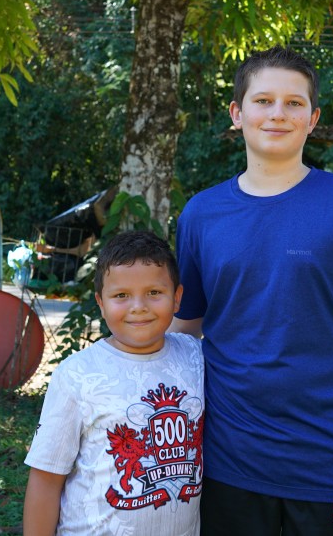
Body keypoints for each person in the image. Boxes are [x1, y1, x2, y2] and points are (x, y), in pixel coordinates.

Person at [171, 46, 333, 535]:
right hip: (225, 462)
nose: (278, 113)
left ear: (312, 119)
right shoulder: (201, 214)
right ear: (237, 114)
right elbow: (183, 331)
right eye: (263, 101)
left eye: (294, 103)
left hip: (329, 460)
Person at [23, 229, 205, 536]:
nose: (138, 306)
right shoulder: (77, 374)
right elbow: (46, 478)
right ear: (100, 302)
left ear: (177, 298)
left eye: (154, 292)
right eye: (121, 296)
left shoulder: (195, 356)